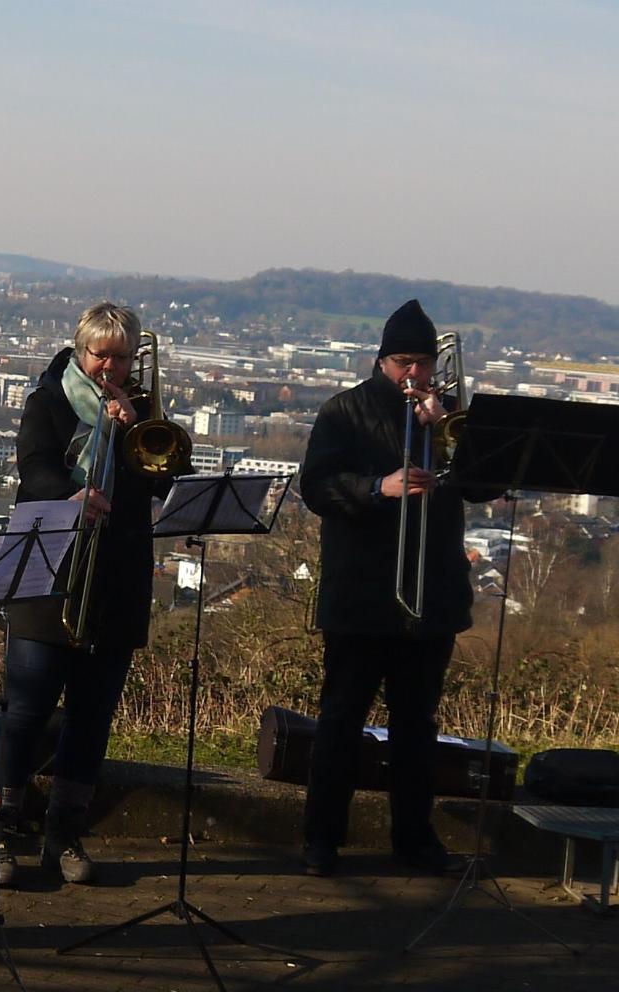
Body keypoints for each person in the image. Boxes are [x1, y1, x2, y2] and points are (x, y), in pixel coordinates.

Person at [300, 299, 492, 878]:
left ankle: (414, 838)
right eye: (403, 361)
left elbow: (487, 485)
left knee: (417, 726)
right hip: (360, 595)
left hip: (430, 597)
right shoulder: (344, 411)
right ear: (381, 361)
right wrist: (377, 487)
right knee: (340, 721)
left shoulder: (450, 415)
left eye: (423, 362)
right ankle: (320, 841)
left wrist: (449, 434)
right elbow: (315, 487)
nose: (414, 373)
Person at [0, 302, 164, 886]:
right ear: (81, 351)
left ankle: (66, 833)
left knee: (92, 716)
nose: (110, 365)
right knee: (25, 710)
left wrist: (132, 431)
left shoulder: (145, 410)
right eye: (99, 354)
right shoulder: (48, 401)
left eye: (121, 356)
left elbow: (165, 478)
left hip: (116, 578)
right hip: (50, 571)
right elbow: (32, 468)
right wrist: (71, 498)